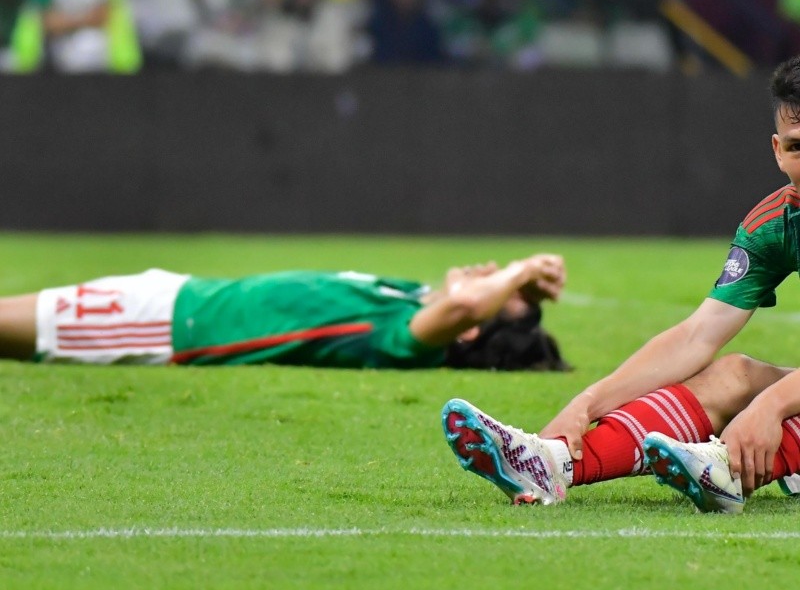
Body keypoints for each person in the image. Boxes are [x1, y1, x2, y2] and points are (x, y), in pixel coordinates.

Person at [442, 55, 800, 514]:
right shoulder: (774, 224)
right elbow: (695, 337)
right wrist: (588, 402)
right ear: (776, 149)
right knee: (735, 374)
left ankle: (729, 468)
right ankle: (550, 464)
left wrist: (771, 406)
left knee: (771, 397)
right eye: (796, 148)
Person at [0, 254, 569, 371]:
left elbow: (467, 304)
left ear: (467, 327)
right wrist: (526, 298)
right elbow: (467, 306)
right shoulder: (407, 298)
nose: (490, 267)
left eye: (498, 282)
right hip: (178, 297)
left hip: (165, 324)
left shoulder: (400, 337)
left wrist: (519, 275)